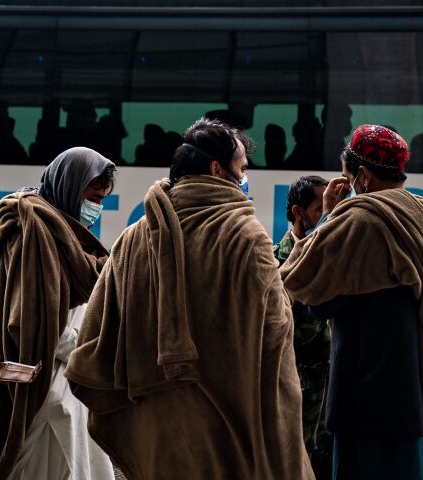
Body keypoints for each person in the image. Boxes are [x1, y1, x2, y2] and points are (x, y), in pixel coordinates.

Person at [65, 118, 313, 479]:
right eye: (242, 169)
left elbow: (93, 338)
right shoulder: (245, 234)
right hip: (227, 430)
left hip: (156, 429)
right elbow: (275, 340)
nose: (245, 178)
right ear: (217, 169)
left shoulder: (134, 236)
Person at [280, 125, 423, 480]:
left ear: (362, 174)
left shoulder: (360, 221)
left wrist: (327, 215)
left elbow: (304, 287)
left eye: (347, 177)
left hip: (371, 408)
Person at [0, 147, 116, 480]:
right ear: (69, 187)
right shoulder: (37, 236)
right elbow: (33, 323)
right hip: (46, 393)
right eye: (92, 197)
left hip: (62, 387)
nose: (96, 207)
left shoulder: (55, 232)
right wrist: (93, 347)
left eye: (102, 199)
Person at [273, 175, 332, 479]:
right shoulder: (273, 262)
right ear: (298, 213)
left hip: (330, 395)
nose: (328, 216)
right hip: (297, 393)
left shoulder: (334, 260)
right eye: (320, 208)